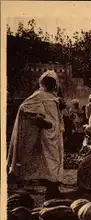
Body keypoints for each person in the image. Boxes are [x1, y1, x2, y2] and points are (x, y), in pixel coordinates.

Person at [7, 70, 65, 199]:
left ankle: (53, 187)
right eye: (49, 83)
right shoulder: (38, 96)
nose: (51, 86)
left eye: (53, 84)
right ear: (43, 84)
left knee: (55, 159)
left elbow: (57, 114)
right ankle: (51, 188)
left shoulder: (53, 97)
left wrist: (60, 105)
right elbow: (24, 108)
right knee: (49, 160)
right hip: (45, 134)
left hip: (55, 134)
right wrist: (39, 120)